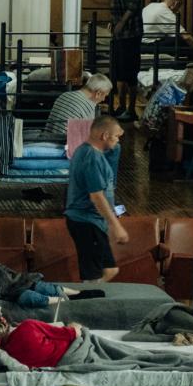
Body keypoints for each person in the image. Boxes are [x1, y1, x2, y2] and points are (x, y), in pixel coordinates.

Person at [64, 114, 128, 282]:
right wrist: (117, 226)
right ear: (104, 135)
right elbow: (97, 196)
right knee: (94, 276)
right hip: (87, 221)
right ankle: (85, 300)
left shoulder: (86, 151)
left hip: (92, 222)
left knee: (110, 270)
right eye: (115, 137)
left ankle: (90, 295)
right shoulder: (91, 157)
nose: (117, 141)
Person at [100, 0, 145, 118]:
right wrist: (115, 21)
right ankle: (123, 107)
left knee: (130, 71)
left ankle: (132, 110)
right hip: (122, 33)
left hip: (130, 33)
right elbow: (124, 4)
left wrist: (121, 22)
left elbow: (134, 2)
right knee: (120, 71)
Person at [0, 313, 84, 368]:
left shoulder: (8, 355)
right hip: (74, 349)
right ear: (3, 320)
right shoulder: (28, 325)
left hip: (62, 365)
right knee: (75, 327)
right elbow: (75, 333)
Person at [44, 73, 112, 137]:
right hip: (62, 144)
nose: (103, 99)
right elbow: (87, 136)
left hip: (47, 138)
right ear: (98, 93)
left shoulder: (65, 95)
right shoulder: (88, 105)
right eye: (105, 96)